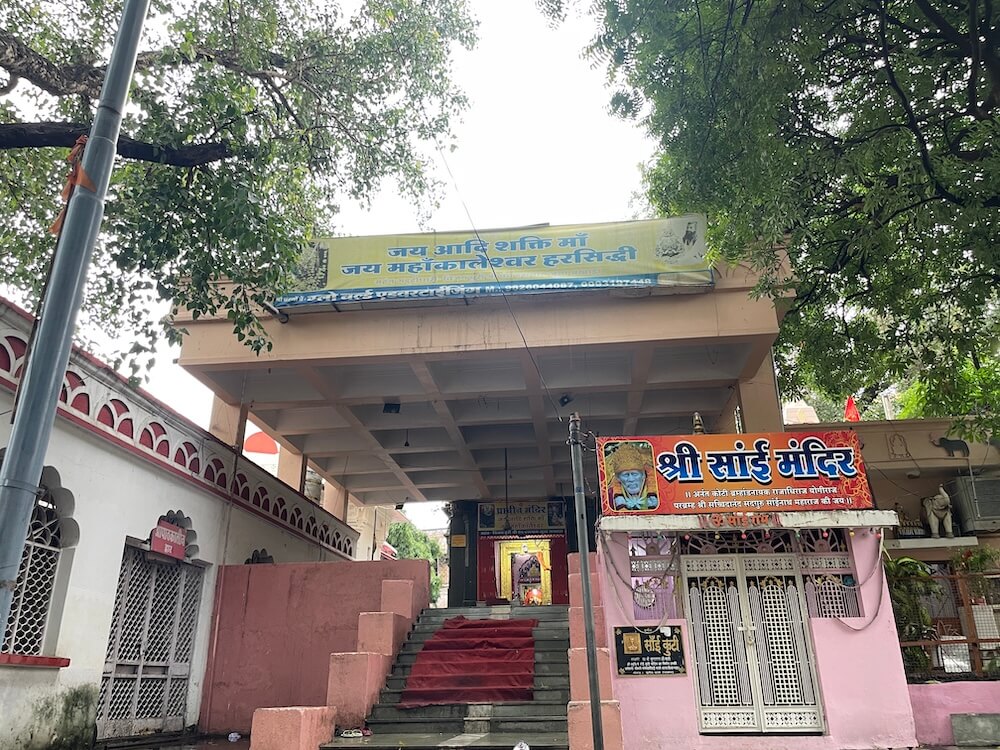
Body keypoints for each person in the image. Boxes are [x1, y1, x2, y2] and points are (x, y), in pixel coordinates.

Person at [605, 441, 658, 511]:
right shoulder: (609, 496)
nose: (631, 479)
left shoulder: (659, 489)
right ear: (618, 478)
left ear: (643, 475)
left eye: (634, 474)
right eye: (625, 475)